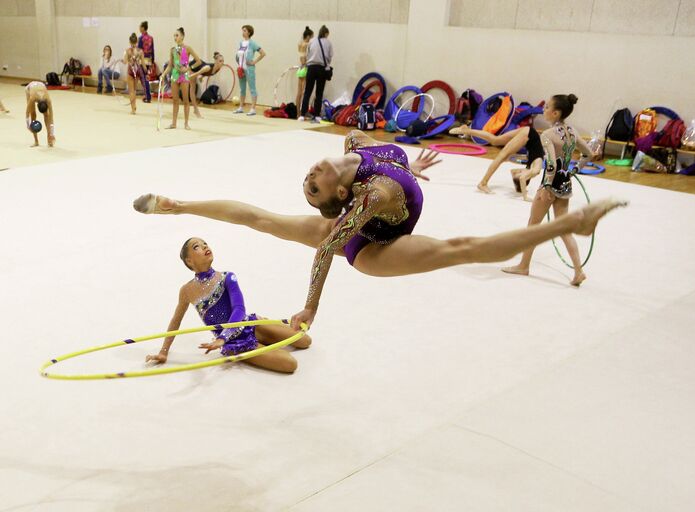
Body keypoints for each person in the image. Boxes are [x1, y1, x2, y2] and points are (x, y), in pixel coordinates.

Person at [133, 130, 626, 330]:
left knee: (462, 246)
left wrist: (412, 165)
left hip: (385, 219)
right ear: (341, 198)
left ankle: (572, 225)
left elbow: (390, 157)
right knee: (461, 249)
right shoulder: (365, 198)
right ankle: (178, 207)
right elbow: (327, 248)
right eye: (312, 187)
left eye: (309, 183)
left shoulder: (357, 144)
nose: (309, 178)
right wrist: (311, 306)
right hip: (374, 249)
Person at [145, 237, 311, 373]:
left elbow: (239, 309)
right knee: (290, 365)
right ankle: (262, 341)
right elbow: (175, 322)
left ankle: (265, 332)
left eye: (205, 243)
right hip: (235, 343)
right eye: (197, 247)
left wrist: (222, 337)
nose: (205, 246)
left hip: (248, 324)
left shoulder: (227, 277)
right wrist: (163, 352)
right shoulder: (187, 290)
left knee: (305, 341)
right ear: (189, 260)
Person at [502, 94, 595, 286]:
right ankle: (578, 271)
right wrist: (574, 170)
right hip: (565, 184)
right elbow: (589, 154)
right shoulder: (572, 131)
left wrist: (545, 187)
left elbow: (551, 164)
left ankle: (523, 266)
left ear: (555, 112)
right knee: (563, 229)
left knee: (533, 226)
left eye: (546, 108)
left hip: (550, 186)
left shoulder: (548, 135)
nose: (543, 111)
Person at [450, 124, 544, 200]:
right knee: (501, 157)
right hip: (527, 136)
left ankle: (467, 130)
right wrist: (525, 196)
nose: (516, 173)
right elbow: (522, 178)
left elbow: (515, 172)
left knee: (495, 140)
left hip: (529, 132)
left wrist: (520, 186)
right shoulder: (535, 171)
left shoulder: (529, 167)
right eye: (517, 175)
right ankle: (483, 183)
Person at [159, 27, 202, 130]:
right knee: (175, 100)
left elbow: (198, 61)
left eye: (177, 35)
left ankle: (186, 123)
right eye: (174, 36)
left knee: (186, 100)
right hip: (175, 75)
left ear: (182, 36)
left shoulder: (187, 48)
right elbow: (170, 65)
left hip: (184, 76)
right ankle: (174, 123)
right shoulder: (173, 50)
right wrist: (163, 74)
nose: (175, 37)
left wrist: (188, 68)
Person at [299, 25, 333, 122]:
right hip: (321, 68)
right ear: (326, 34)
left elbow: (308, 53)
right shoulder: (328, 43)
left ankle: (302, 114)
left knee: (307, 91)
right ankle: (317, 115)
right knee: (319, 93)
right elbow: (330, 56)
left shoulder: (312, 41)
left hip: (311, 67)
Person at [233, 25, 265, 116]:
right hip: (241, 69)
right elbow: (239, 56)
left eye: (244, 30)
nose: (243, 32)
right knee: (242, 89)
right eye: (242, 30)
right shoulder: (241, 43)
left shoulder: (252, 44)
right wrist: (238, 65)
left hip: (249, 69)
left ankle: (253, 108)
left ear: (249, 32)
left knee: (252, 88)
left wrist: (254, 62)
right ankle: (240, 107)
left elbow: (263, 53)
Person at [188, 52, 224, 118]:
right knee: (192, 88)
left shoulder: (218, 69)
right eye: (220, 61)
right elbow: (196, 74)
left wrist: (201, 77)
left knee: (193, 88)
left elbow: (206, 74)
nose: (222, 63)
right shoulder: (208, 67)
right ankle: (196, 110)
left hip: (199, 67)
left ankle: (195, 110)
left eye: (223, 61)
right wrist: (191, 76)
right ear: (215, 61)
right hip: (193, 66)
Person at [24, 81, 54, 147]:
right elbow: (27, 112)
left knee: (47, 115)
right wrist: (28, 125)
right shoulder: (32, 98)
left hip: (41, 85)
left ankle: (49, 140)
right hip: (29, 88)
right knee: (33, 114)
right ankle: (36, 141)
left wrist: (51, 134)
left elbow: (51, 118)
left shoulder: (48, 100)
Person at [123, 34, 145, 115]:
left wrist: (125, 59)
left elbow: (125, 62)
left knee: (131, 91)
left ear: (129, 42)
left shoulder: (127, 50)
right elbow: (143, 64)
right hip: (136, 71)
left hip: (131, 71)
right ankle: (134, 106)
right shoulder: (140, 51)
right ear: (137, 42)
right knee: (134, 90)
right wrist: (146, 72)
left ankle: (133, 108)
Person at [295, 26, 313, 108]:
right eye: (311, 37)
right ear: (308, 36)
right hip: (305, 68)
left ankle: (298, 112)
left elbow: (301, 56)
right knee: (304, 92)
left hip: (300, 68)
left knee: (299, 92)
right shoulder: (307, 44)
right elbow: (304, 58)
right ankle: (303, 111)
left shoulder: (300, 44)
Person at [138, 21, 154, 103]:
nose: (139, 28)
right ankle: (147, 95)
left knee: (144, 79)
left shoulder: (141, 38)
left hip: (142, 60)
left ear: (143, 28)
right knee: (146, 78)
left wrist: (137, 59)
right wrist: (152, 62)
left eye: (140, 27)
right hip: (149, 60)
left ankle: (148, 97)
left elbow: (139, 50)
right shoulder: (151, 38)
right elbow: (153, 50)